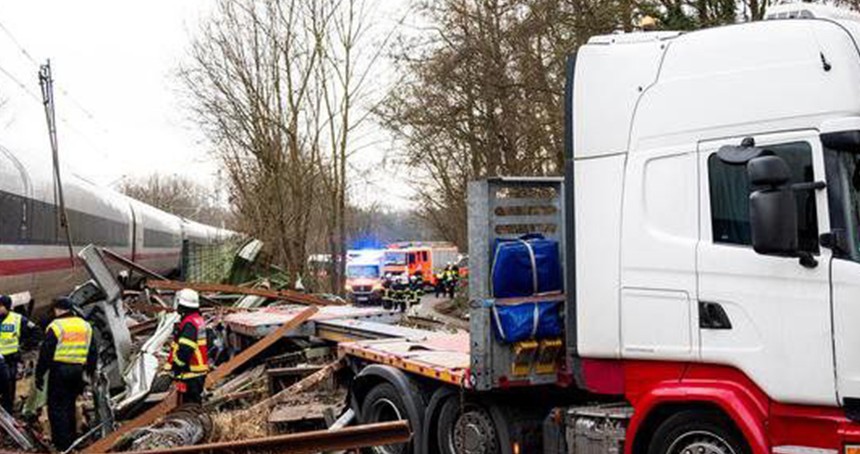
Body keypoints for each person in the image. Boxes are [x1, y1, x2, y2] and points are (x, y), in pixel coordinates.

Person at [35, 297, 97, 452]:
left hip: (60, 370)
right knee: (70, 404)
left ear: (57, 309)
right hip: (77, 370)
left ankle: (62, 445)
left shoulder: (56, 326)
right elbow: (93, 351)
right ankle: (72, 439)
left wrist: (39, 374)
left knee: (56, 407)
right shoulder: (85, 326)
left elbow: (46, 353)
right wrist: (90, 371)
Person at [165, 289, 209, 404]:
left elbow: (185, 350)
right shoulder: (196, 320)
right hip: (196, 371)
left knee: (190, 406)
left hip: (190, 372)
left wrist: (177, 366)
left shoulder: (189, 324)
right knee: (192, 405)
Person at [0, 294, 36, 414]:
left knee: (9, 387)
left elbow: (35, 331)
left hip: (10, 358)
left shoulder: (17, 318)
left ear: (6, 306)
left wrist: (25, 345)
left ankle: (7, 412)